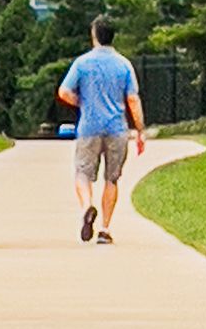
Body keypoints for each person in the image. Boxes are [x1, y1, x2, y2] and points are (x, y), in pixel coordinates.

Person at [55, 15, 144, 242]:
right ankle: (105, 228)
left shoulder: (82, 63)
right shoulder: (124, 64)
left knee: (83, 172)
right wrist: (140, 130)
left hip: (89, 126)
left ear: (94, 36)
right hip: (116, 128)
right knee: (111, 178)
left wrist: (81, 102)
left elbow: (63, 92)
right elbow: (133, 99)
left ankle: (87, 206)